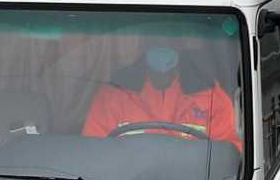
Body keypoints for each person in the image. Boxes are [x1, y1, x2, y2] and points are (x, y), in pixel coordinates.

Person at [83, 36, 242, 144]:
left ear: (180, 48)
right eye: (155, 43)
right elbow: (95, 152)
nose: (162, 48)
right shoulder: (113, 96)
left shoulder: (210, 97)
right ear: (143, 48)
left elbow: (228, 156)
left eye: (169, 43)